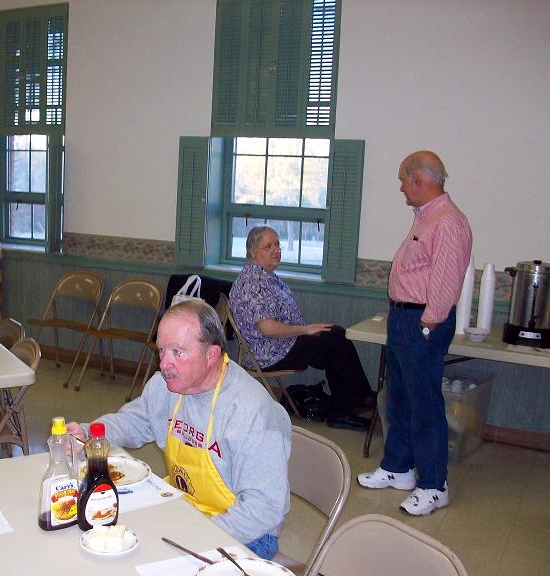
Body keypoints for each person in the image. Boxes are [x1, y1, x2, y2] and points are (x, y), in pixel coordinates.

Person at [68, 300, 291, 560]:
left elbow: (263, 509)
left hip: (245, 535)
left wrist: (194, 535)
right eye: (161, 350)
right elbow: (133, 421)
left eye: (178, 352)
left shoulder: (251, 412)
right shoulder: (166, 385)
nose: (164, 364)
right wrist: (88, 435)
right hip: (185, 507)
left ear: (212, 355)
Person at [358, 151, 472, 516]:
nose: (401, 187)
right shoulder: (427, 217)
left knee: (424, 406)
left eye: (404, 180)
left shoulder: (448, 222)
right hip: (405, 318)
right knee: (401, 399)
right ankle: (398, 468)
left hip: (423, 322)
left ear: (419, 179)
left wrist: (427, 323)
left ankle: (434, 485)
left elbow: (445, 280)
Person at [228, 225, 375, 430]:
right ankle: (355, 401)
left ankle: (346, 406)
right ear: (252, 251)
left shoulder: (266, 276)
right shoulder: (253, 283)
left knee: (333, 341)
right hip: (268, 352)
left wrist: (306, 331)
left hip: (281, 344)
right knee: (334, 339)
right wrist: (305, 330)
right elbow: (268, 328)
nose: (276, 250)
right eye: (267, 246)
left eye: (277, 244)